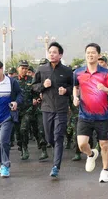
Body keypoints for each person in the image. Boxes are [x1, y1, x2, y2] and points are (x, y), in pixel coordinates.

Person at [73, 43, 108, 183]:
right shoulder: (78, 72)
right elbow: (76, 87)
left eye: (93, 52)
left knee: (104, 144)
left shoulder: (106, 73)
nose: (90, 55)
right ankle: (91, 154)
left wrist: (105, 89)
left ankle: (105, 171)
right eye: (88, 52)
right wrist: (75, 97)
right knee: (81, 145)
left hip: (102, 116)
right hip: (84, 115)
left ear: (98, 55)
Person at [32, 42, 73, 178]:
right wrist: (43, 86)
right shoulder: (42, 69)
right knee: (49, 137)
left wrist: (66, 90)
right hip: (47, 108)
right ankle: (55, 149)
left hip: (61, 109)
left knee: (58, 136)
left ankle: (56, 166)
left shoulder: (67, 71)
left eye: (55, 52)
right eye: (50, 52)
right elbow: (34, 86)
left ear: (60, 55)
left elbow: (73, 88)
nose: (52, 54)